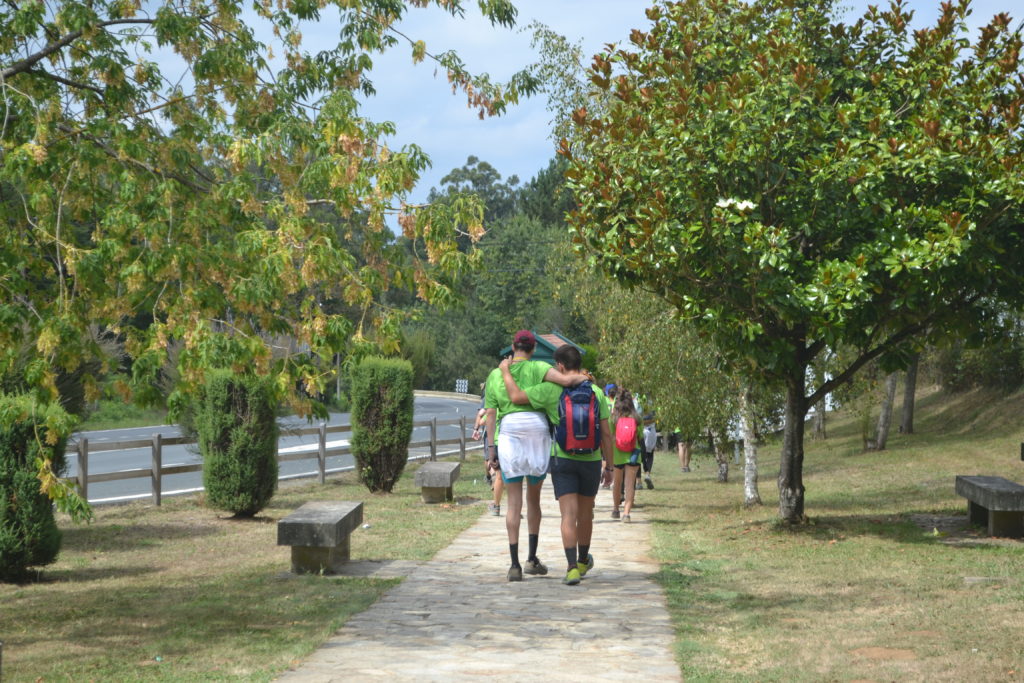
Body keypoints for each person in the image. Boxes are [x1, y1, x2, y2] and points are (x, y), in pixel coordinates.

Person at [499, 345, 614, 586]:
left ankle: (571, 568)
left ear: (560, 367)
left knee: (568, 515)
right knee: (585, 515)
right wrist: (610, 466)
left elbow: (516, 397)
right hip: (591, 460)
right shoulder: (595, 391)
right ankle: (583, 561)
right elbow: (606, 434)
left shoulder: (552, 390)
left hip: (563, 458)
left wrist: (507, 373)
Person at [484, 330, 581, 582]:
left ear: (513, 347)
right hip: (537, 431)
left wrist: (491, 449)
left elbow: (491, 414)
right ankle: (532, 558)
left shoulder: (496, 374)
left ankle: (514, 564)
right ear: (534, 347)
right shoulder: (540, 367)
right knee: (534, 499)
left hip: (509, 432)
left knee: (513, 501)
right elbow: (567, 381)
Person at [610, 389, 643, 522]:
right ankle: (626, 514)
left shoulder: (614, 418)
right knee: (630, 484)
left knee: (617, 483)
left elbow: (611, 436)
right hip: (633, 454)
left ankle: (615, 509)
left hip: (617, 454)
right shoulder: (637, 418)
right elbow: (640, 436)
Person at [472, 389, 504, 516]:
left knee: (497, 473)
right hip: (510, 441)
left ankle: (496, 506)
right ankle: (515, 509)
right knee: (511, 477)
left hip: (494, 440)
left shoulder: (493, 404)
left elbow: (481, 420)